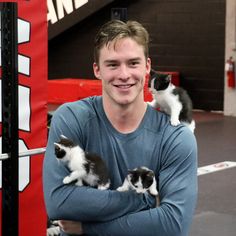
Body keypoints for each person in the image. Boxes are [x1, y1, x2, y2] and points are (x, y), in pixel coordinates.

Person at [43, 20, 198, 236]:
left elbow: (173, 223)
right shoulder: (72, 118)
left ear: (147, 66)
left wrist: (88, 228)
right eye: (113, 64)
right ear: (97, 69)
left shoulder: (175, 137)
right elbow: (59, 201)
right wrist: (140, 200)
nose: (124, 74)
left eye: (133, 63)